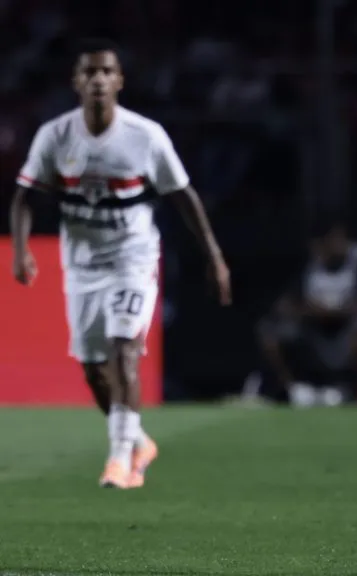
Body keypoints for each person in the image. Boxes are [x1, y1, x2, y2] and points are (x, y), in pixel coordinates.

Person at [9, 39, 231, 489]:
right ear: (76, 82)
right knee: (94, 369)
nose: (98, 80)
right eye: (89, 73)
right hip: (82, 264)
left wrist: (215, 256)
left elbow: (184, 196)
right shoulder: (56, 135)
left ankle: (119, 462)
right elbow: (25, 196)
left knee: (124, 350)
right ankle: (138, 441)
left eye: (106, 72)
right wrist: (20, 248)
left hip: (133, 257)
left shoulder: (144, 136)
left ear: (119, 81)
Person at [257, 222, 357, 406]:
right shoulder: (310, 263)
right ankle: (293, 389)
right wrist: (311, 310)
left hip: (349, 328)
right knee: (270, 332)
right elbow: (283, 305)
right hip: (314, 329)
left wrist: (338, 310)